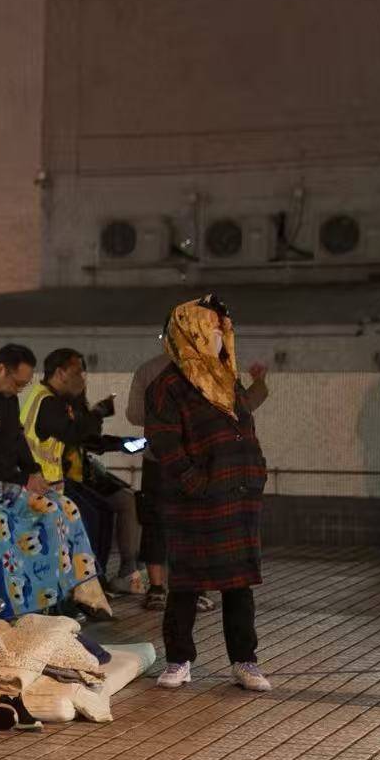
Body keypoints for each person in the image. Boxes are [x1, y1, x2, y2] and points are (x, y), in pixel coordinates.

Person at [145, 295, 273, 691]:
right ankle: (179, 660)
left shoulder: (225, 377)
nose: (220, 335)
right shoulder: (167, 385)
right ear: (193, 331)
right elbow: (166, 445)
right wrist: (195, 483)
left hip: (237, 495)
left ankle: (245, 661)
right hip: (195, 503)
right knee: (185, 585)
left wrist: (256, 471)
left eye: (223, 329)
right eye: (213, 328)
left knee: (239, 585)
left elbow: (246, 428)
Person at [0, 344, 106, 620]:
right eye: (18, 383)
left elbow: (17, 437)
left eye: (24, 384)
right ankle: (26, 602)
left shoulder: (8, 396)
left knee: (65, 510)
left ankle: (73, 593)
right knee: (15, 524)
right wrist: (22, 477)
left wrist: (33, 471)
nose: (19, 390)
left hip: (9, 480)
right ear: (0, 369)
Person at [129, 340, 268, 611]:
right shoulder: (218, 370)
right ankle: (197, 589)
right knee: (199, 528)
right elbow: (240, 410)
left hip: (157, 461)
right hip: (204, 464)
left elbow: (134, 414)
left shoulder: (148, 370)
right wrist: (260, 383)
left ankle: (157, 588)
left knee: (155, 523)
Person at [20, 348, 140, 595]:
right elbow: (75, 434)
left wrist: (119, 442)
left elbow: (84, 439)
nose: (83, 378)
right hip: (40, 485)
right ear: (61, 373)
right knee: (93, 516)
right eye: (78, 372)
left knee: (104, 510)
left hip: (54, 482)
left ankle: (98, 578)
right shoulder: (48, 402)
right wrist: (97, 414)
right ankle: (87, 584)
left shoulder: (55, 401)